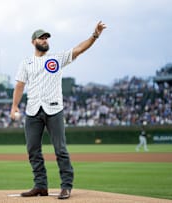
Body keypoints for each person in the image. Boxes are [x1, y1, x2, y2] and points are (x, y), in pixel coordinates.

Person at [10, 21, 106, 199]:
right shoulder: (26, 63)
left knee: (60, 149)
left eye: (47, 38)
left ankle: (66, 186)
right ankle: (40, 186)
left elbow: (78, 49)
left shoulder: (56, 58)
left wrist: (94, 36)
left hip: (54, 109)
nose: (45, 40)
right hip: (33, 111)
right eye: (42, 37)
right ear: (33, 42)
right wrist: (14, 106)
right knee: (32, 149)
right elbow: (19, 86)